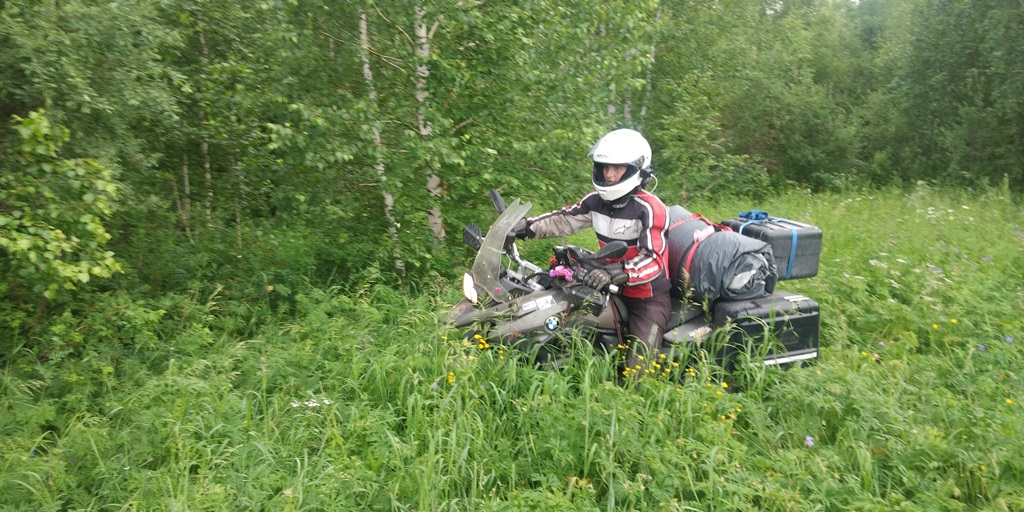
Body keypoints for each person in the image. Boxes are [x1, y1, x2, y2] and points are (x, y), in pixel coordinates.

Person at [513, 128, 671, 380]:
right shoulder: (596, 201)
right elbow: (563, 219)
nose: (609, 174)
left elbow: (654, 261)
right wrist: (525, 228)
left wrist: (619, 272)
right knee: (563, 318)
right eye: (605, 167)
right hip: (605, 285)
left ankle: (637, 393)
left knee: (639, 368)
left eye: (617, 168)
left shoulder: (650, 209)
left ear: (637, 169)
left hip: (645, 296)